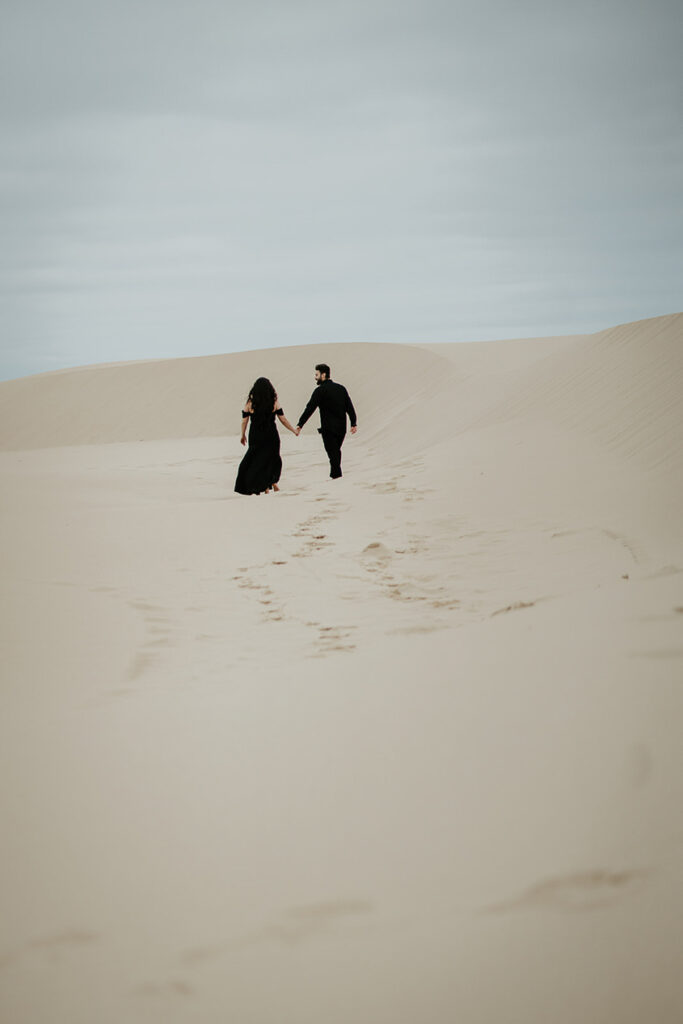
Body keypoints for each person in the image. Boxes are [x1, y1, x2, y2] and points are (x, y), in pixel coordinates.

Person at [234, 377, 297, 495]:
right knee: (272, 457)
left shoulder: (250, 403)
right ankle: (272, 482)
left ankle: (263, 486)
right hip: (271, 434)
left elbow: (244, 421)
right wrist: (293, 430)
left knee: (256, 459)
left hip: (256, 434)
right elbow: (283, 419)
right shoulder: (273, 402)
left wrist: (242, 435)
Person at [295, 363, 357, 479]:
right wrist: (353, 423)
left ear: (323, 375)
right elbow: (350, 407)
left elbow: (310, 408)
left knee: (333, 453)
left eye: (317, 374)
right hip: (341, 428)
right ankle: (336, 476)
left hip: (328, 429)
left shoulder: (320, 391)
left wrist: (300, 424)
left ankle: (337, 477)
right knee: (335, 452)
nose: (315, 377)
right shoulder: (341, 388)